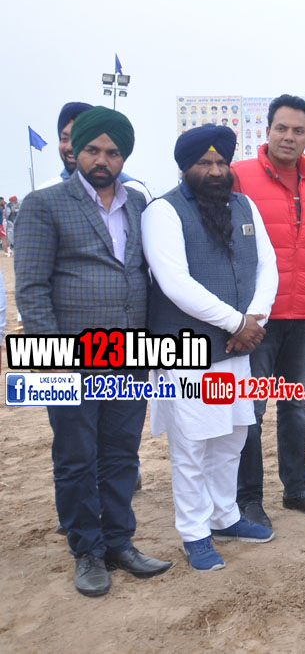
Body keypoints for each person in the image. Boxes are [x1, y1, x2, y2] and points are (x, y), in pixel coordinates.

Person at [15, 106, 172, 597]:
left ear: (124, 156)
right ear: (76, 151)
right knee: (76, 456)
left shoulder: (138, 204)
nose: (102, 160)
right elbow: (32, 289)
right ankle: (86, 549)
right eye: (92, 150)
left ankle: (119, 542)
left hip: (130, 354)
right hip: (71, 356)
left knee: (122, 454)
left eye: (113, 152)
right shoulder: (44, 204)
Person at [144, 125, 278, 571]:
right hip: (187, 355)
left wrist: (255, 319)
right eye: (204, 163)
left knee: (232, 439)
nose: (216, 171)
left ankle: (225, 517)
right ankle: (195, 533)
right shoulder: (163, 211)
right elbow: (175, 283)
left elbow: (267, 266)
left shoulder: (244, 205)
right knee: (193, 447)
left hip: (237, 351)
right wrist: (238, 322)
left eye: (221, 162)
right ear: (186, 167)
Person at [232, 94, 305, 526]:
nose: (289, 137)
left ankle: (296, 489)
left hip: (304, 312)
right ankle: (248, 498)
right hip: (257, 317)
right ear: (267, 130)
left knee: (294, 406)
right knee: (251, 411)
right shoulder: (239, 175)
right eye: (281, 128)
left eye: (298, 130)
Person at [39, 102, 152, 199]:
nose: (70, 147)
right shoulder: (45, 196)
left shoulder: (134, 193)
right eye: (64, 139)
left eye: (77, 140)